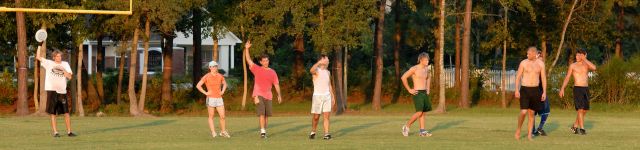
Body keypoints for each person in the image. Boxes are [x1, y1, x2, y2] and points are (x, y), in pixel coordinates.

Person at [244, 40, 282, 139]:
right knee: (261, 113)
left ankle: (264, 131)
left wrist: (279, 95)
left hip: (268, 96)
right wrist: (247, 49)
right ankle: (262, 132)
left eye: (267, 60)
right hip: (258, 94)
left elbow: (276, 84)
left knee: (266, 115)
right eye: (264, 61)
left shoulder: (273, 72)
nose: (266, 62)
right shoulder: (257, 69)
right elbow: (248, 60)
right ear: (260, 62)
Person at [36, 49, 76, 138]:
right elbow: (38, 57)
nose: (59, 57)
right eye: (57, 56)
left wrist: (64, 71)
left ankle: (69, 132)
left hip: (62, 91)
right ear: (54, 57)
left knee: (66, 112)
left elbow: (69, 77)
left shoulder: (65, 64)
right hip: (51, 90)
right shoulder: (49, 63)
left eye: (60, 56)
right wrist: (39, 45)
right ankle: (56, 132)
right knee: (53, 112)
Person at [559, 49, 596, 135]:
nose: (577, 57)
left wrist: (585, 59)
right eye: (576, 55)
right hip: (577, 88)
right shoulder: (573, 66)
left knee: (585, 110)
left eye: (579, 55)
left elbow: (594, 68)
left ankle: (575, 126)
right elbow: (567, 77)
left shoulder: (586, 64)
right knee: (580, 109)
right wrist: (562, 88)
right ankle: (582, 129)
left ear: (584, 55)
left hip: (585, 88)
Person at [514, 47, 547, 141]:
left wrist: (544, 92)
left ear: (534, 54)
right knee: (523, 112)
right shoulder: (523, 63)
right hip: (524, 89)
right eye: (527, 53)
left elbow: (543, 78)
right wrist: (516, 90)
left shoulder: (541, 64)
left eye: (529, 53)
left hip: (535, 90)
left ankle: (529, 135)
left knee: (532, 114)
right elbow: (518, 77)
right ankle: (518, 130)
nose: (527, 55)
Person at [400, 52, 433, 137]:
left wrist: (428, 88)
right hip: (417, 93)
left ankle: (422, 131)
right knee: (419, 112)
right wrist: (409, 89)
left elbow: (429, 78)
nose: (427, 61)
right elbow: (403, 77)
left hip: (424, 92)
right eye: (426, 59)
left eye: (428, 59)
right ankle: (406, 126)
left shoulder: (426, 69)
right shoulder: (414, 68)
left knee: (423, 112)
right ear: (421, 60)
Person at [196, 61, 230, 138]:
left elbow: (225, 84)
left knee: (222, 116)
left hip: (219, 98)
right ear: (210, 68)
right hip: (210, 98)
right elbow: (198, 86)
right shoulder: (207, 76)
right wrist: (206, 93)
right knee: (211, 116)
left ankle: (223, 131)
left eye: (216, 66)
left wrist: (222, 91)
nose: (215, 68)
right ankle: (213, 132)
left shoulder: (220, 76)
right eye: (213, 66)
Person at [308, 55, 335, 140]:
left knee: (326, 116)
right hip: (317, 97)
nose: (328, 60)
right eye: (327, 59)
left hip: (327, 96)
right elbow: (311, 70)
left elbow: (329, 85)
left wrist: (333, 96)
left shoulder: (328, 72)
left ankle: (326, 134)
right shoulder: (317, 70)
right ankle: (313, 132)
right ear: (322, 60)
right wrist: (319, 62)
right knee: (316, 117)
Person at [533, 51, 550, 136]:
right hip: (533, 92)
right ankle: (532, 131)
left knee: (546, 111)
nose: (540, 60)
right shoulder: (532, 68)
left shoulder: (542, 68)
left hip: (542, 92)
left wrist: (544, 92)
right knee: (532, 112)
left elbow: (544, 81)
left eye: (541, 59)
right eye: (539, 58)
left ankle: (540, 128)